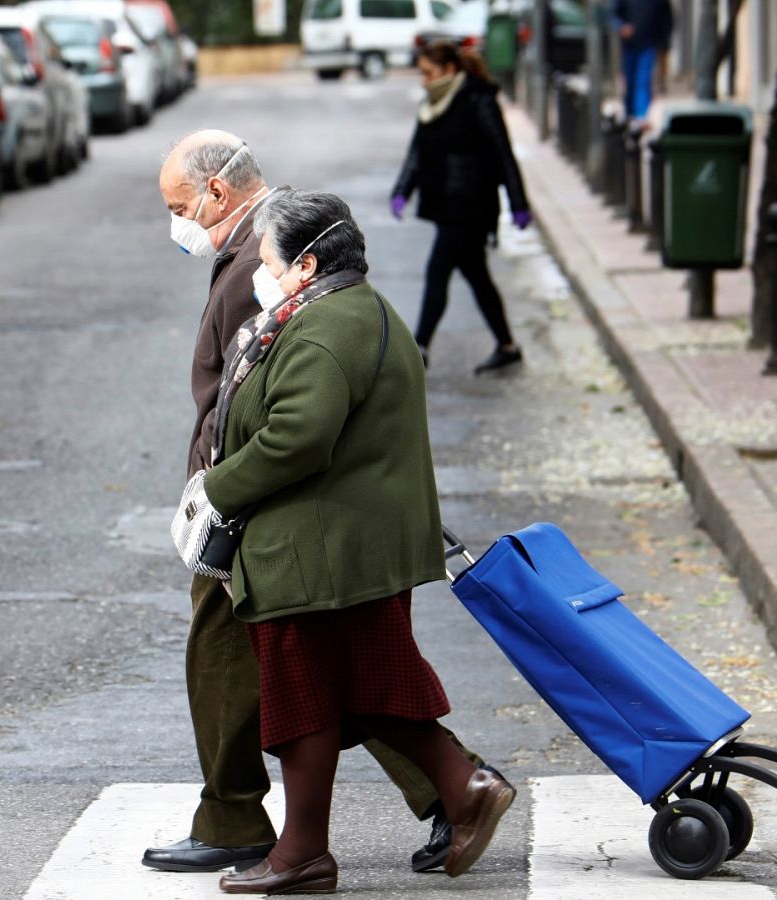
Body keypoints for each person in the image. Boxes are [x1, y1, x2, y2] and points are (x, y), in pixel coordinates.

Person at [151, 132, 500, 878]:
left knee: (318, 685)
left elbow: (292, 430)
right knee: (340, 683)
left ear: (302, 265)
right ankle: (431, 797)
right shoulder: (322, 294)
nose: (176, 224)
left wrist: (216, 486)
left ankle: (306, 827)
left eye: (181, 207)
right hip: (315, 529)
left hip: (307, 534)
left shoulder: (302, 299)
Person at [391, 40, 531, 375]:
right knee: (477, 276)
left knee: (437, 270)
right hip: (445, 203)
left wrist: (518, 202)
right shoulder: (433, 103)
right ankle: (507, 345)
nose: (424, 80)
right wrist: (402, 190)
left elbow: (503, 153)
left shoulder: (478, 100)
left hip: (471, 204)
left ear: (449, 70)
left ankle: (419, 346)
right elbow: (417, 152)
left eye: (429, 73)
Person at [610, 0, 674, 124]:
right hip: (629, 46)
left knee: (643, 82)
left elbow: (666, 19)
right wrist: (622, 27)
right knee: (630, 82)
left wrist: (664, 43)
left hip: (649, 44)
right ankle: (629, 115)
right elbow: (614, 15)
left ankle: (641, 117)